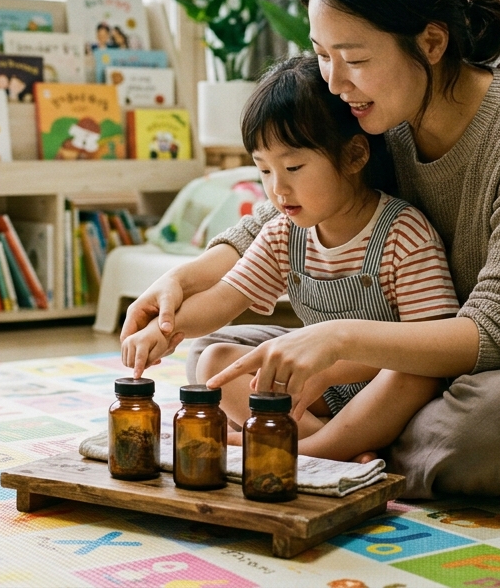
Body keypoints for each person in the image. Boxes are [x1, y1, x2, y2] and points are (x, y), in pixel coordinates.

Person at [119, 0, 500, 498]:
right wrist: (181, 282)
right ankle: (355, 446)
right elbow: (282, 220)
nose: (334, 82)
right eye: (322, 55)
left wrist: (340, 340)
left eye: (353, 58)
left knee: (471, 432)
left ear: (431, 43)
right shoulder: (378, 117)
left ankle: (320, 447)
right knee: (217, 360)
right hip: (416, 370)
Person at [123, 57, 459, 461]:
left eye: (293, 167)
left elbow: (429, 346)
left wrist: (332, 369)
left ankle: (315, 450)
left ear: (354, 156)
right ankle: (334, 446)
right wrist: (162, 330)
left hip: (388, 384)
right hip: (320, 390)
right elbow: (223, 299)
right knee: (215, 362)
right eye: (264, 171)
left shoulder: (404, 233)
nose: (278, 189)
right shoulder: (284, 233)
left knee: (411, 373)